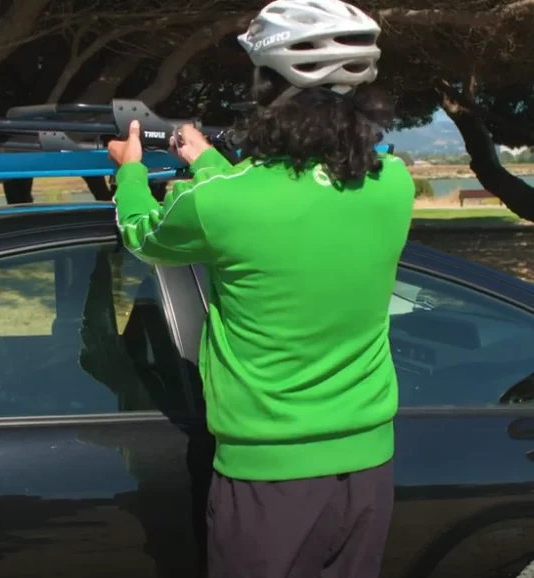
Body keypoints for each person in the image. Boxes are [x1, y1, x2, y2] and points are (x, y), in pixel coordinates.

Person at [105, 0, 415, 576]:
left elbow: (142, 235)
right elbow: (288, 203)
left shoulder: (226, 203)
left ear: (267, 90)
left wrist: (129, 170)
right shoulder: (394, 184)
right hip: (370, 467)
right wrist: (207, 162)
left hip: (269, 475)